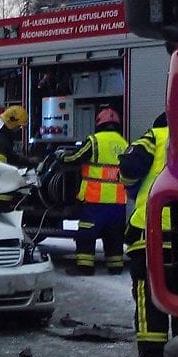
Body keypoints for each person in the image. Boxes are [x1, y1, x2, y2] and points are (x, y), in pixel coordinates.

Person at [120, 111, 170, 357]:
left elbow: (129, 166)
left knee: (149, 299)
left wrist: (132, 188)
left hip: (151, 235)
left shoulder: (157, 135)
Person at [60, 108, 129, 276]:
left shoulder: (94, 141)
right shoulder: (124, 144)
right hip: (118, 202)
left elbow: (74, 158)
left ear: (99, 124)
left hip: (95, 201)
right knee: (114, 236)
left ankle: (85, 267)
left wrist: (61, 156)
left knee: (86, 234)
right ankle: (115, 266)